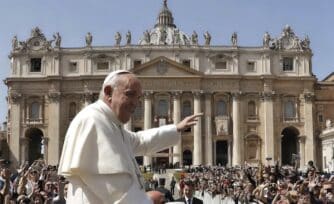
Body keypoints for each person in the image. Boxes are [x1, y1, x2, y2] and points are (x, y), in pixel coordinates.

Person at [58, 70, 202, 204]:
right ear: (109, 92)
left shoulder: (112, 124)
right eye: (130, 94)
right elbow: (117, 191)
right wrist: (149, 200)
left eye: (139, 97)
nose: (136, 103)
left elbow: (140, 141)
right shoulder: (93, 120)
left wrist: (175, 128)